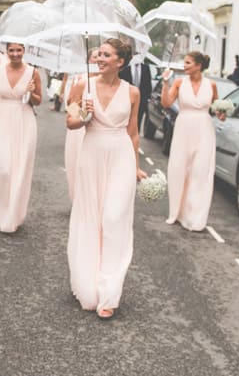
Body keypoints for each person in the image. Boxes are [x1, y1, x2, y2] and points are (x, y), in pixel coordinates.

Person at [66, 38, 147, 319]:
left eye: (106, 55)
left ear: (120, 62)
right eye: (99, 54)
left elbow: (133, 131)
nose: (100, 58)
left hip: (121, 156)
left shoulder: (133, 92)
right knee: (91, 218)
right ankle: (88, 283)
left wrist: (136, 167)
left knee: (114, 219)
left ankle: (110, 292)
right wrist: (85, 115)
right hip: (92, 154)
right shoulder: (82, 85)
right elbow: (70, 122)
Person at [0, 42, 42, 233]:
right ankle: (0, 211)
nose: (15, 54)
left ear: (24, 51)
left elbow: (38, 101)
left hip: (25, 121)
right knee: (2, 168)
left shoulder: (33, 73)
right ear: (6, 52)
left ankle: (14, 215)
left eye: (18, 50)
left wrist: (31, 92)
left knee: (20, 169)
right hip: (3, 120)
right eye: (11, 50)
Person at [162, 51, 226, 232]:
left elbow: (216, 109)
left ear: (199, 65)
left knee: (200, 172)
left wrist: (222, 113)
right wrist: (165, 83)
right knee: (179, 168)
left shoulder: (211, 85)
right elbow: (166, 103)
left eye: (188, 63)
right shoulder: (179, 82)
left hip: (204, 129)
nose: (185, 66)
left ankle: (195, 217)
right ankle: (177, 212)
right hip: (183, 128)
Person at [63, 48, 99, 202]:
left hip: (98, 132)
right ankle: (78, 198)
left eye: (102, 56)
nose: (98, 60)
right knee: (77, 164)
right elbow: (69, 105)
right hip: (79, 130)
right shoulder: (80, 79)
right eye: (95, 57)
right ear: (88, 60)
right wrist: (85, 115)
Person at [119, 54, 152, 130]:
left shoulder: (145, 68)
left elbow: (148, 84)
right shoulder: (126, 68)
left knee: (138, 120)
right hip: (126, 98)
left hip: (141, 100)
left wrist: (146, 99)